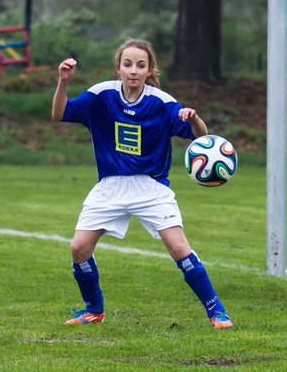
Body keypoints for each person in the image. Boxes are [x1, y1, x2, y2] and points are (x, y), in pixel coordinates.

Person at [51, 39, 232, 328]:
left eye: (140, 65)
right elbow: (59, 113)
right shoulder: (101, 95)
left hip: (151, 187)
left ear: (149, 70)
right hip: (110, 186)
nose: (133, 70)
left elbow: (202, 136)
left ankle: (216, 310)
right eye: (127, 64)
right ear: (118, 68)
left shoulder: (161, 102)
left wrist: (194, 117)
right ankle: (94, 309)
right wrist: (63, 82)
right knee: (79, 249)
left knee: (178, 247)